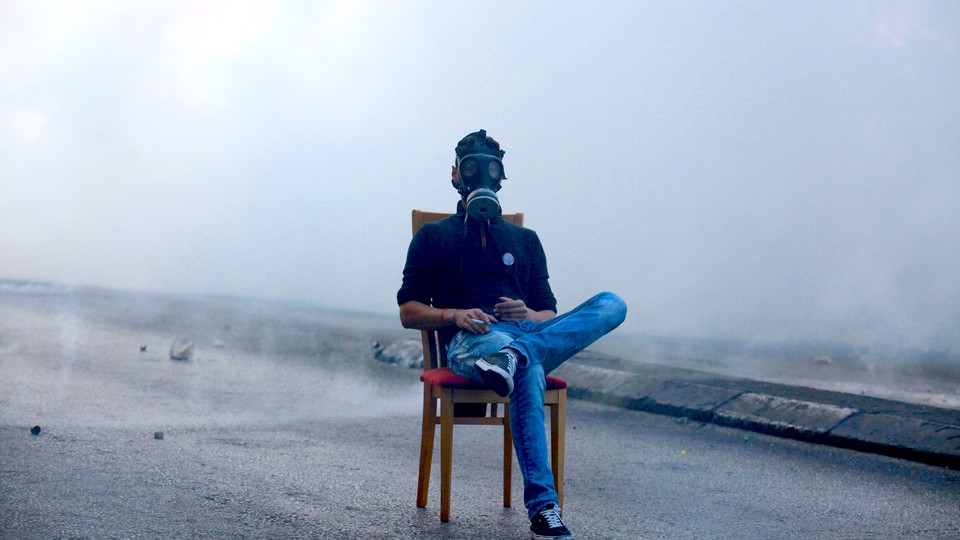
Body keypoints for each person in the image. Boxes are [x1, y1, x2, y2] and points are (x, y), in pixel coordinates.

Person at [397, 129, 627, 540]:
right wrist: (453, 315)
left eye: (490, 169)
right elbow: (408, 311)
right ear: (454, 174)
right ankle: (544, 509)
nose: (479, 177)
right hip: (474, 341)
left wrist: (529, 314)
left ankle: (516, 356)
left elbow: (548, 312)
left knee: (612, 303)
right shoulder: (433, 237)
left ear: (502, 178)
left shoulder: (526, 240)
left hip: (523, 332)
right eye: (470, 168)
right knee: (528, 367)